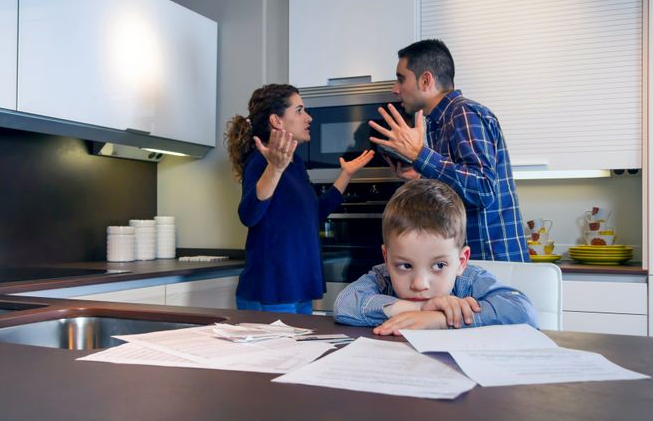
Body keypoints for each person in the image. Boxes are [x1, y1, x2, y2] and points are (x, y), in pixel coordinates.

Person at [368, 39, 529, 262]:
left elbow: (483, 189)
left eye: (400, 79)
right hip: (471, 263)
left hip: (493, 263)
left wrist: (419, 155)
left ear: (426, 80)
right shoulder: (437, 123)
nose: (395, 89)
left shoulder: (463, 113)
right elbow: (459, 190)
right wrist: (420, 176)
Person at [225, 83, 374, 314]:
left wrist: (346, 174)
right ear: (277, 121)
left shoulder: (295, 164)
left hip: (298, 291)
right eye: (299, 110)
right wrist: (274, 169)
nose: (308, 118)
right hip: (272, 293)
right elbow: (248, 214)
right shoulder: (261, 160)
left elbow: (313, 215)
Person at [334, 179, 537, 334]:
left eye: (439, 265)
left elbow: (523, 311)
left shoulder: (470, 280)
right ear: (386, 258)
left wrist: (439, 319)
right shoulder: (381, 276)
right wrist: (419, 307)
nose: (420, 284)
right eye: (405, 266)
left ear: (461, 261)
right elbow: (344, 305)